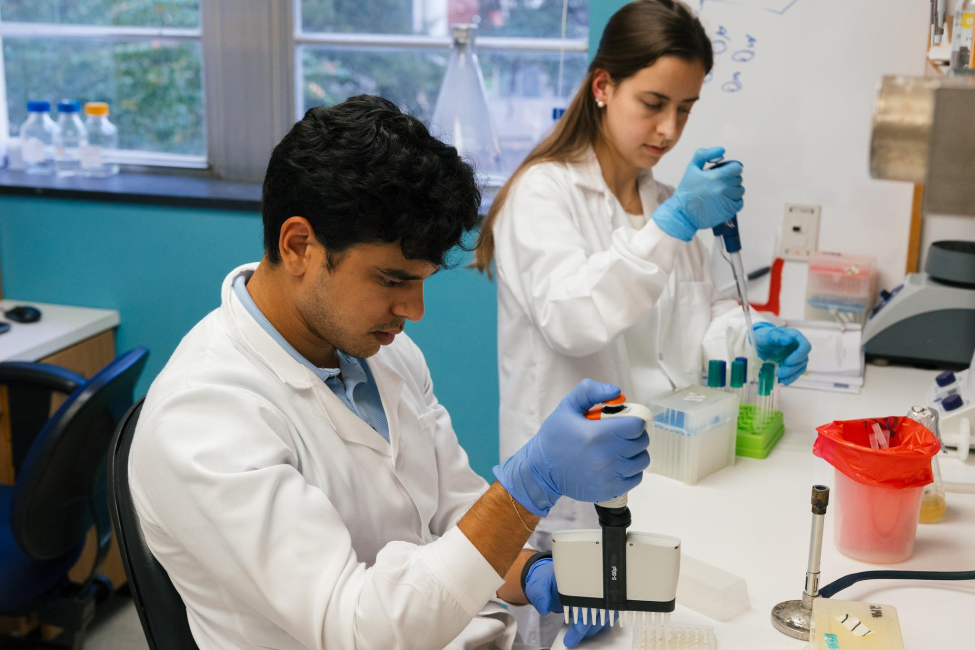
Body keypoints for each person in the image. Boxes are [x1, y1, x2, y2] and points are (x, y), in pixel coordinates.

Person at [128, 95, 644, 649]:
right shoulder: (202, 417)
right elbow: (358, 628)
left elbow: (454, 517)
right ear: (299, 245)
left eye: (421, 281)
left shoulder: (381, 352)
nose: (414, 310)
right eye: (393, 280)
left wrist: (534, 569)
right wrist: (528, 488)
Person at [471, 1, 811, 645]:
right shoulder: (545, 194)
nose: (668, 128)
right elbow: (575, 319)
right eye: (653, 102)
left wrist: (748, 338)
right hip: (567, 504)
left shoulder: (662, 204)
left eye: (684, 109)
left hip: (667, 481)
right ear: (603, 86)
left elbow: (693, 320)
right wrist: (675, 223)